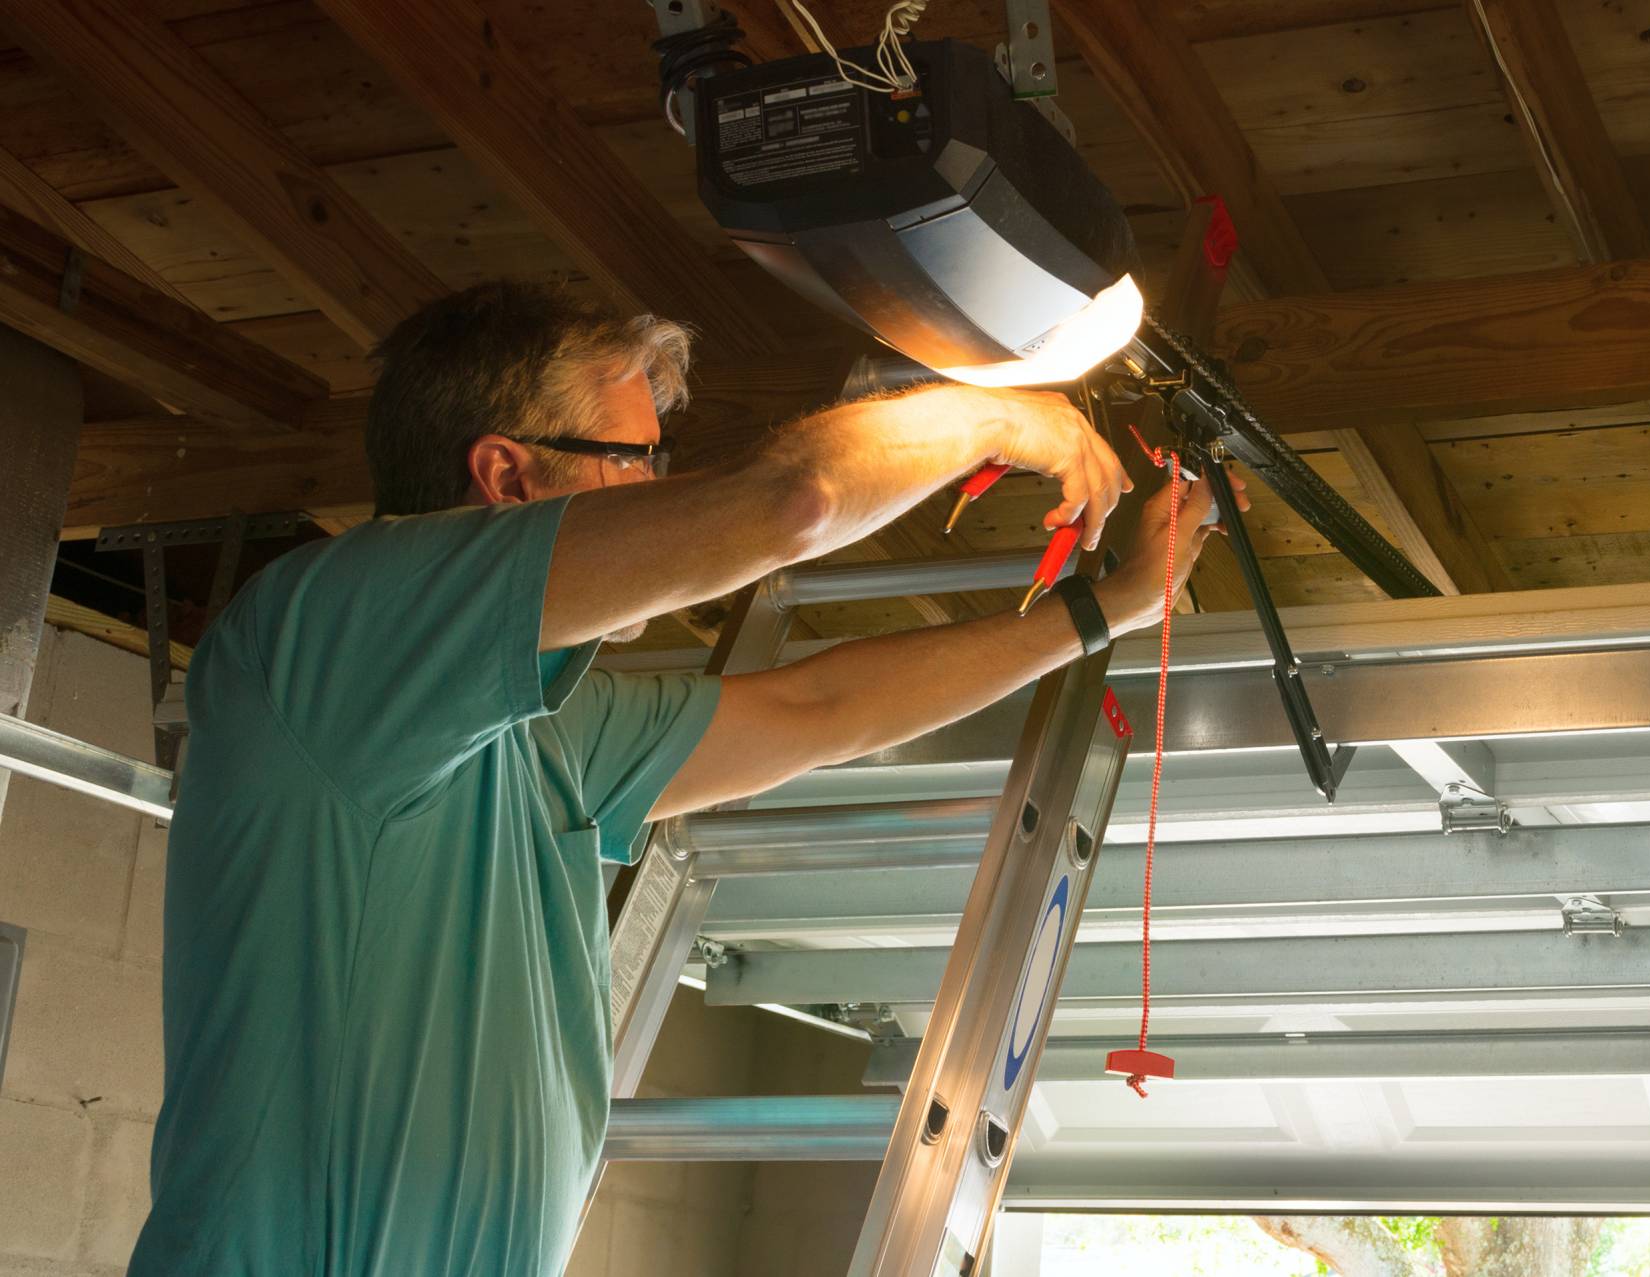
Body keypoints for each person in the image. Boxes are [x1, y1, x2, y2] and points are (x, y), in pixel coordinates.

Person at [130, 280, 1244, 1274]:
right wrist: (1003, 411)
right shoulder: (334, 635)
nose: (661, 483)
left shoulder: (542, 731)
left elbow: (820, 710)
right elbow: (791, 503)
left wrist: (1098, 609)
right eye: (637, 458)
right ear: (506, 473)